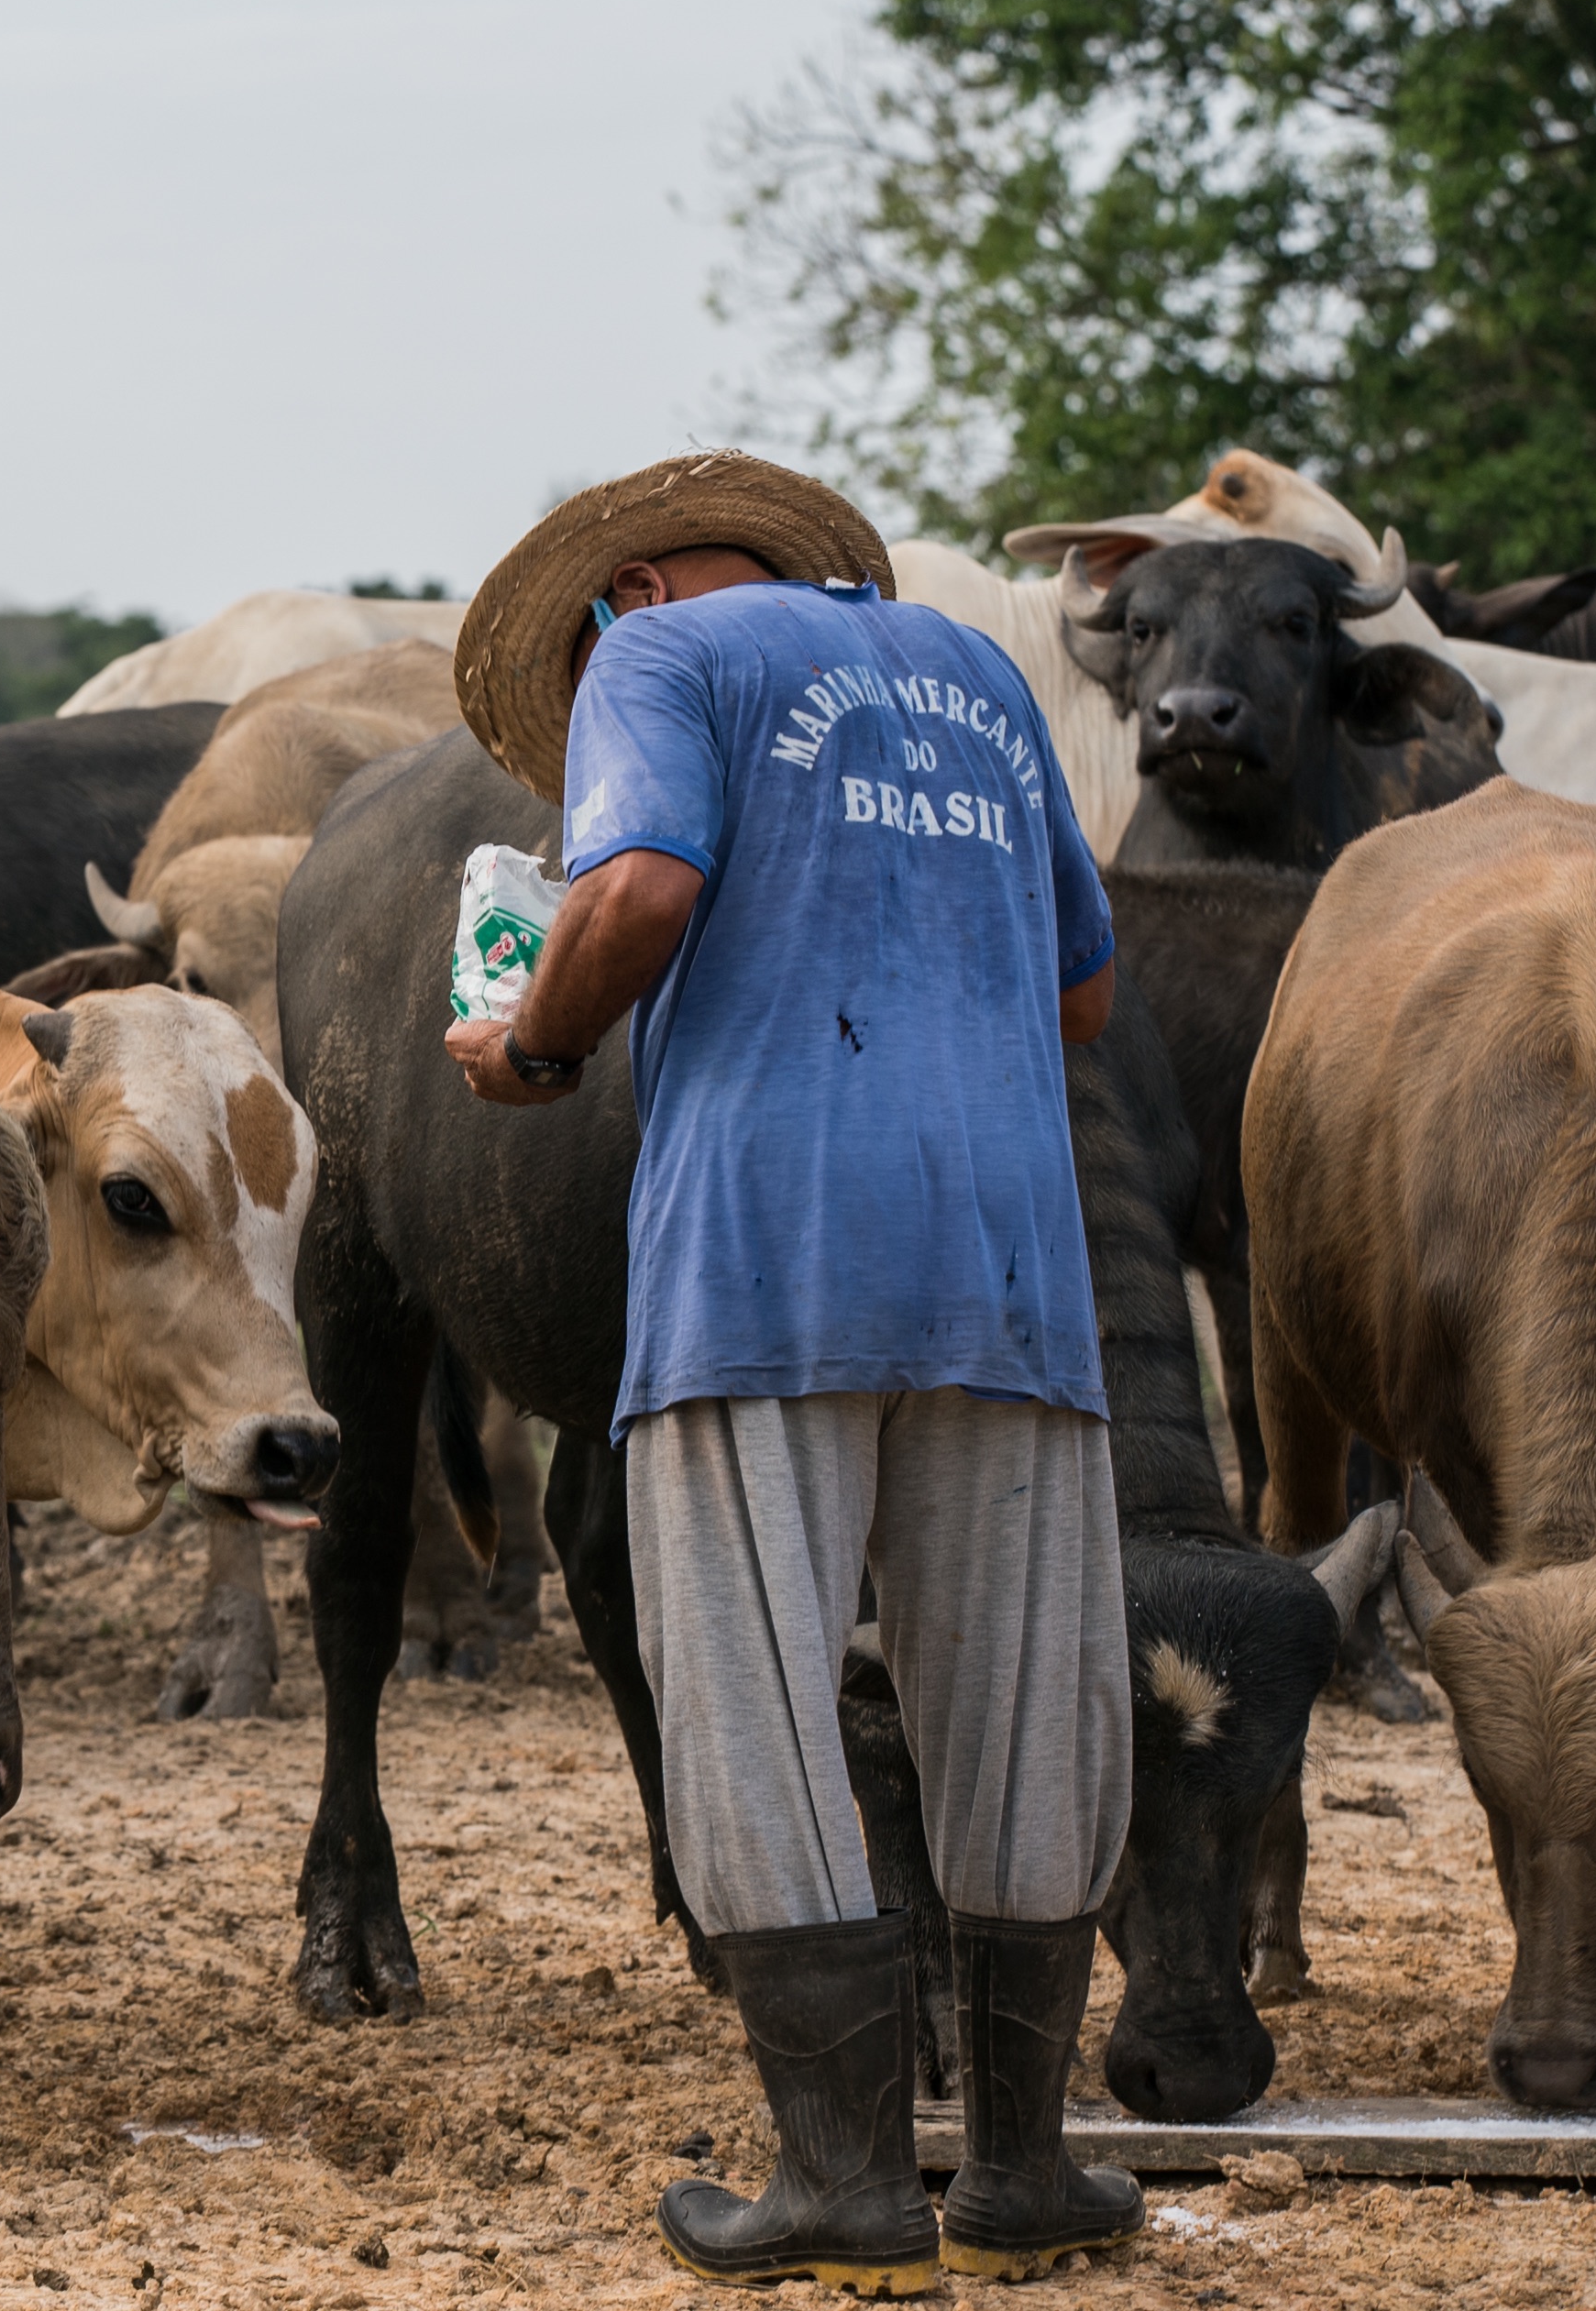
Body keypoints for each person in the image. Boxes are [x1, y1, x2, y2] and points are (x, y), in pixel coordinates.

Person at [444, 453, 1139, 2294]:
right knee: (1012, 1696)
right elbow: (1079, 986)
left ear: (625, 593)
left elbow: (644, 884)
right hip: (1006, 1252)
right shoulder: (974, 676)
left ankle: (837, 2183)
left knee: (748, 1684)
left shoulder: (652, 665)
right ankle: (1018, 2175)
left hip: (769, 1240)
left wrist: (528, 1040)